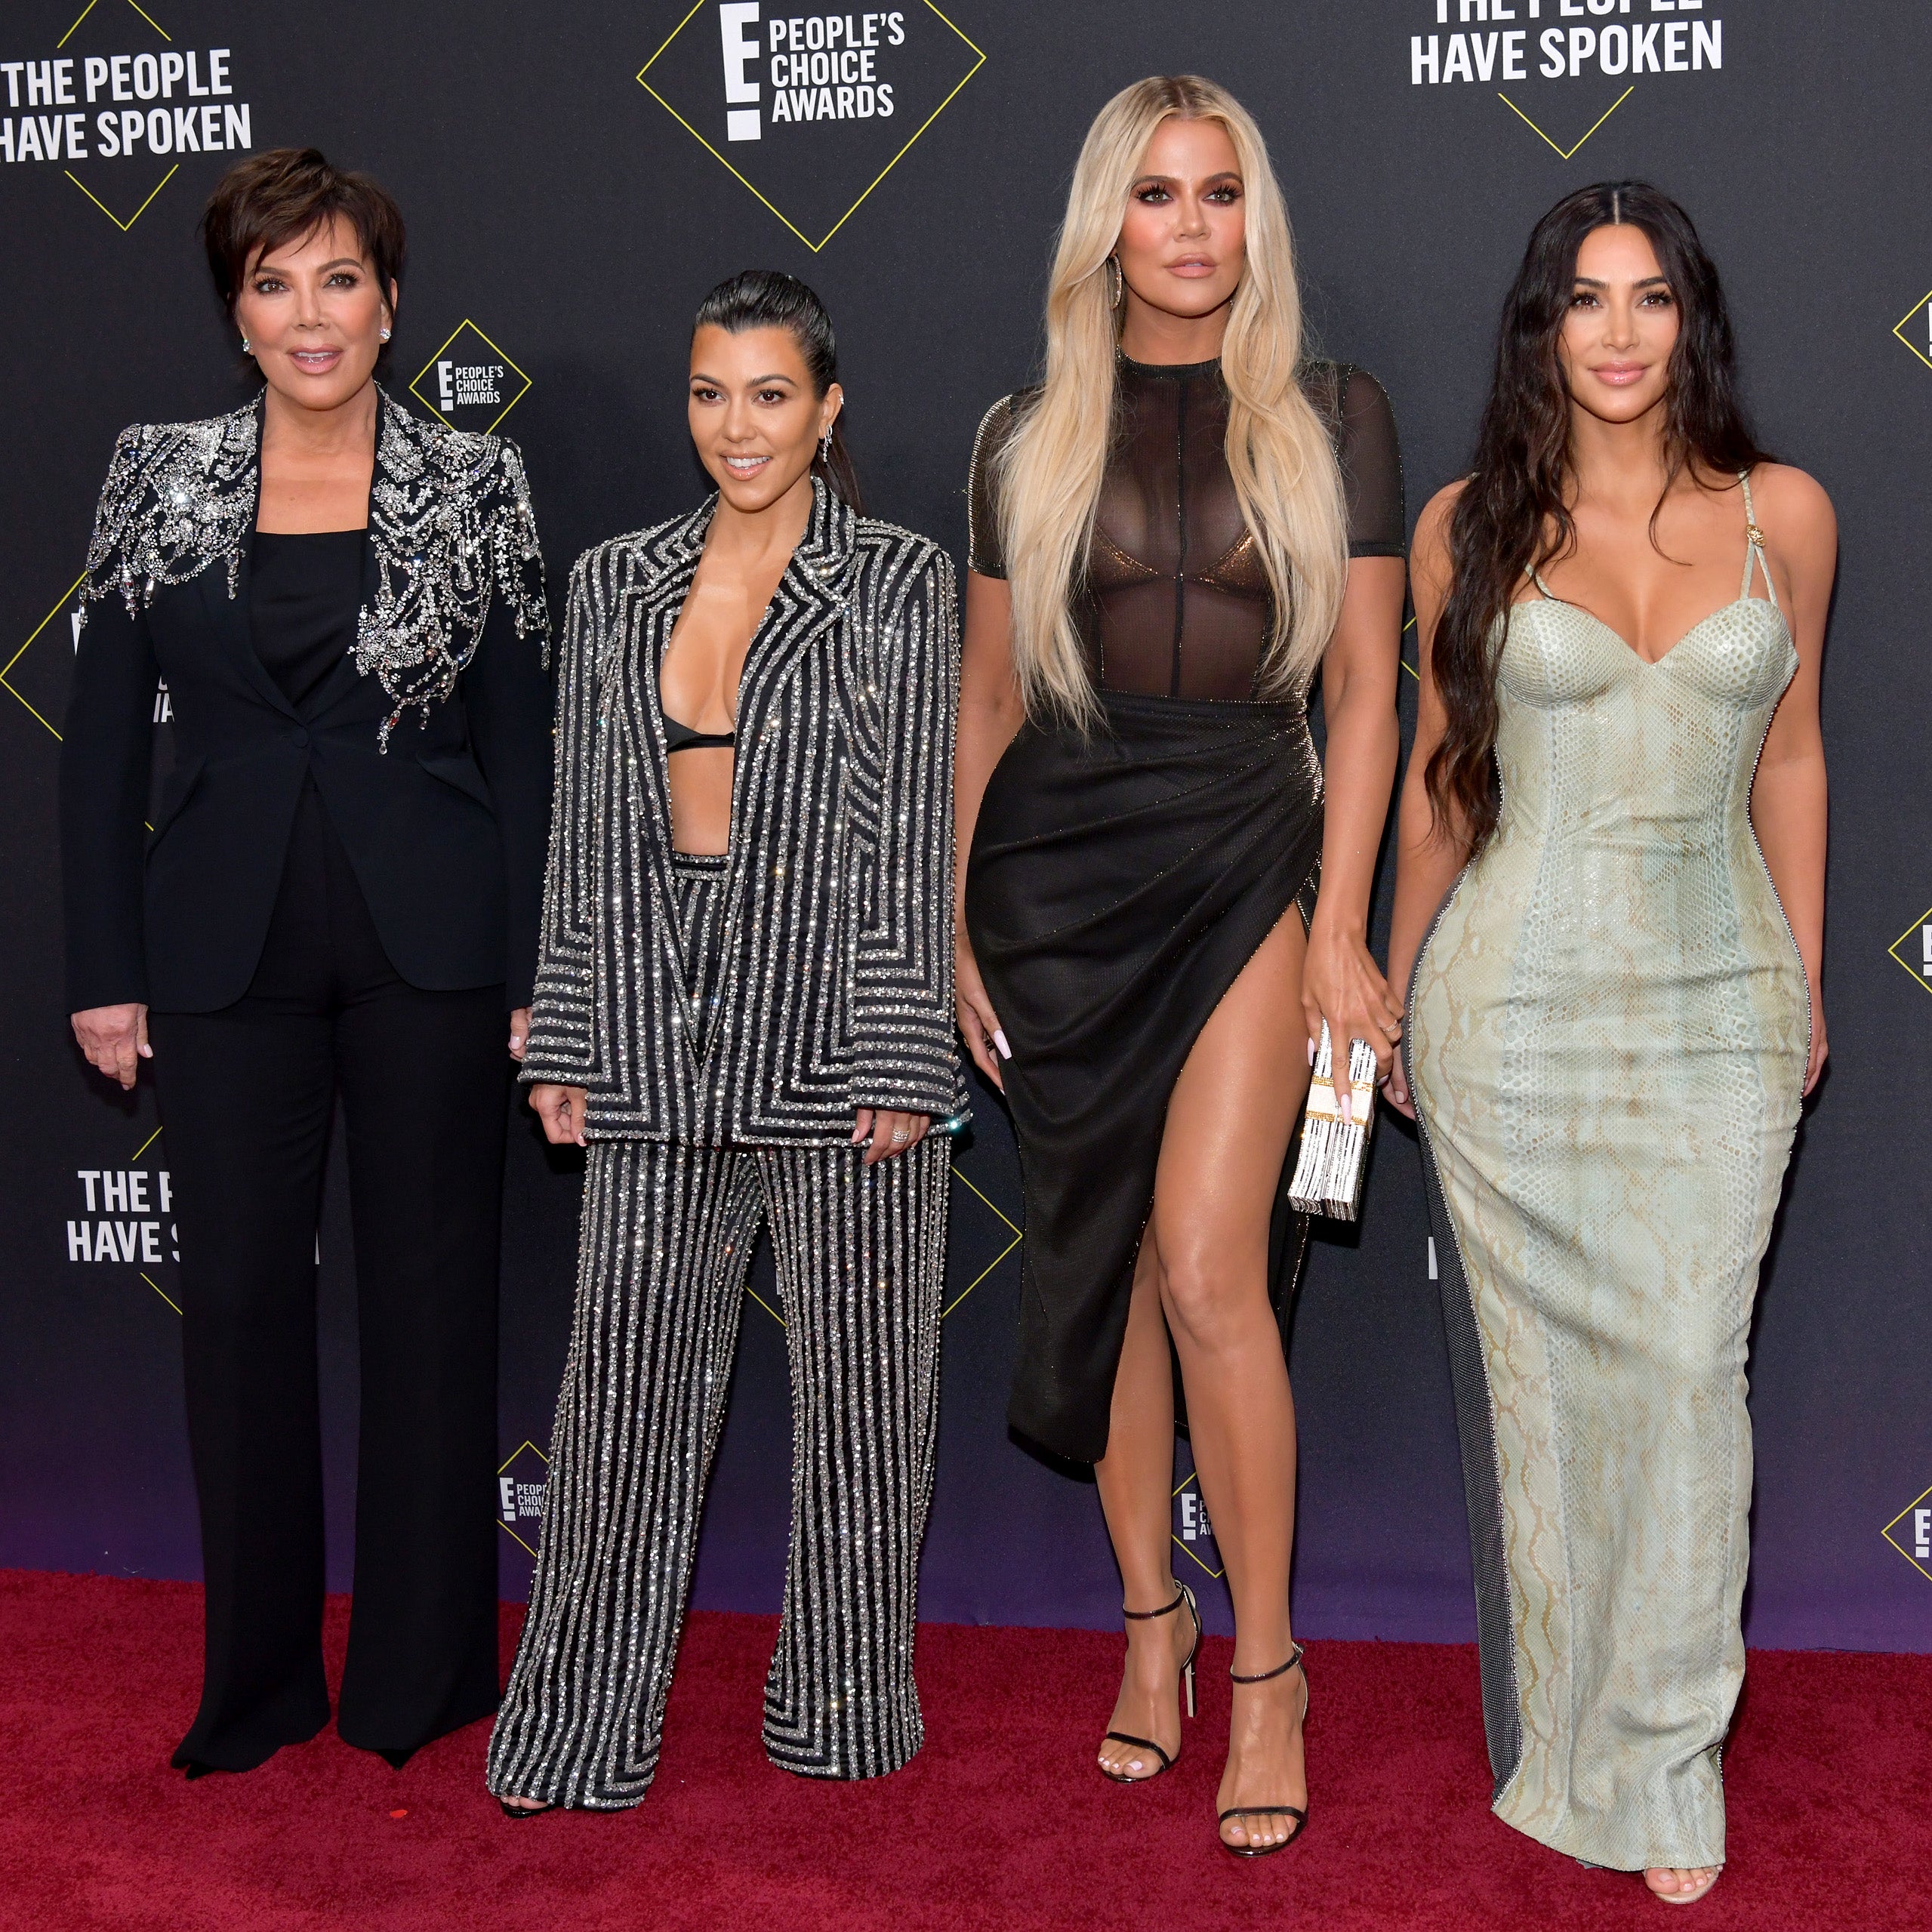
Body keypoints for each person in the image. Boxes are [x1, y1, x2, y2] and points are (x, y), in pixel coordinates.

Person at [954, 76, 1406, 1856]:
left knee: (1212, 1259)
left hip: (1242, 853)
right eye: (1156, 195)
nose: (1193, 227)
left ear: (1253, 218)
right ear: (1105, 224)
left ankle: (1269, 1667)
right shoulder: (1017, 431)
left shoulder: (1330, 413)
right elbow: (986, 698)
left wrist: (1345, 920)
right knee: (1102, 1266)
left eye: (1221, 192)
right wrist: (956, 919)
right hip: (1055, 876)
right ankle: (1150, 1627)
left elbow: (1368, 686)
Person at [60, 147, 553, 1776]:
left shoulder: (477, 483)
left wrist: (539, 970)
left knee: (430, 1306)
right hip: (219, 952)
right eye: (273, 282)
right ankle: (260, 1682)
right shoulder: (157, 475)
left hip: (433, 943)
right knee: (242, 1314)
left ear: (391, 302)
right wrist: (102, 963)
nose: (309, 312)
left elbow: (524, 744)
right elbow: (94, 754)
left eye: (338, 277)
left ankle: (421, 1678)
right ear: (237, 310)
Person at [1385, 183, 1832, 1907]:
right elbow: (1442, 780)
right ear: (1540, 328)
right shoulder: (1463, 526)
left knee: (1682, 1375)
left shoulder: (1781, 513)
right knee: (1548, 1397)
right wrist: (1384, 980)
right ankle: (1574, 1740)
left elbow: (1787, 756)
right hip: (1507, 1005)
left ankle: (1659, 1748)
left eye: (1649, 298)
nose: (1619, 331)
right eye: (1584, 300)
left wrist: (1802, 969)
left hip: (1717, 995)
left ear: (1688, 318)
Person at [488, 270, 963, 1814]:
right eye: (708, 392)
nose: (735, 425)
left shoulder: (896, 578)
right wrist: (564, 1023)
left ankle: (836, 1703)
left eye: (768, 394)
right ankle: (575, 1727)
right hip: (644, 1013)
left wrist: (899, 1048)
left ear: (826, 410)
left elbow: (905, 828)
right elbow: (580, 825)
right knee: (617, 1398)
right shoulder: (615, 577)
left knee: (861, 1401)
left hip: (834, 1021)